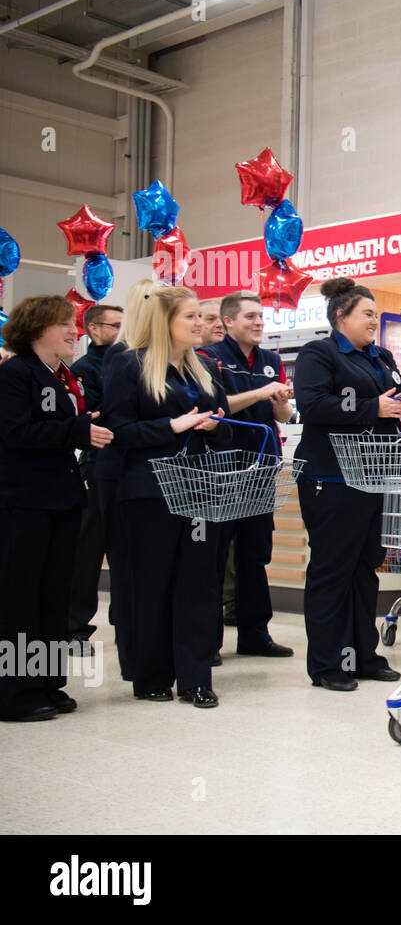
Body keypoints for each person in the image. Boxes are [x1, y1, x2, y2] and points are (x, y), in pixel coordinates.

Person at [100, 285, 230, 708]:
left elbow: (224, 422)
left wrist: (214, 426)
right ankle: (151, 674)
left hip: (199, 488)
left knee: (198, 585)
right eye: (191, 316)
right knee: (151, 583)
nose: (201, 324)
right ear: (165, 322)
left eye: (201, 316)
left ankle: (195, 677)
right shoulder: (129, 365)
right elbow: (117, 431)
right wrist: (170, 427)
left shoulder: (204, 368)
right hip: (148, 490)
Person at [0, 295, 113, 721]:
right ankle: (13, 693)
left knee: (53, 596)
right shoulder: (14, 375)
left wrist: (84, 426)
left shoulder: (65, 377)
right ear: (36, 328)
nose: (74, 331)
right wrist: (77, 430)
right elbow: (17, 432)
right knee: (19, 598)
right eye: (65, 324)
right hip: (23, 504)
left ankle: (47, 682)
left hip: (63, 501)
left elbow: (62, 428)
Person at [293, 278, 401, 690]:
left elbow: (400, 397)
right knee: (332, 571)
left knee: (365, 569)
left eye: (376, 314)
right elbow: (312, 404)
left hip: (375, 477)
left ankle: (364, 656)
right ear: (341, 316)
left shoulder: (381, 356)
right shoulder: (318, 354)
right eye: (368, 314)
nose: (375, 321)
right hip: (331, 478)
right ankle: (327, 664)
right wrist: (371, 406)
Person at [201, 291, 296, 659]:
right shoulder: (209, 358)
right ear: (227, 322)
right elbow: (215, 408)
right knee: (215, 554)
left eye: (261, 317)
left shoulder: (271, 359)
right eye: (250, 317)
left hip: (262, 466)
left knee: (256, 555)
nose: (258, 323)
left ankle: (255, 633)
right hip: (222, 466)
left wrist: (281, 402)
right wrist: (260, 393)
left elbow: (285, 417)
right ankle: (207, 640)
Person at [94, 279, 153, 681]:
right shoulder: (122, 358)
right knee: (131, 573)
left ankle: (150, 653)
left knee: (149, 575)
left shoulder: (169, 359)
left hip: (155, 482)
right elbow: (120, 426)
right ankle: (135, 659)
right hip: (123, 479)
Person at [67, 303, 123, 647]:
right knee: (89, 551)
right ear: (94, 329)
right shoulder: (84, 370)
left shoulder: (129, 362)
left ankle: (126, 622)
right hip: (96, 464)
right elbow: (96, 417)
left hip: (127, 466)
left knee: (126, 551)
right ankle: (74, 626)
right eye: (113, 326)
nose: (120, 332)